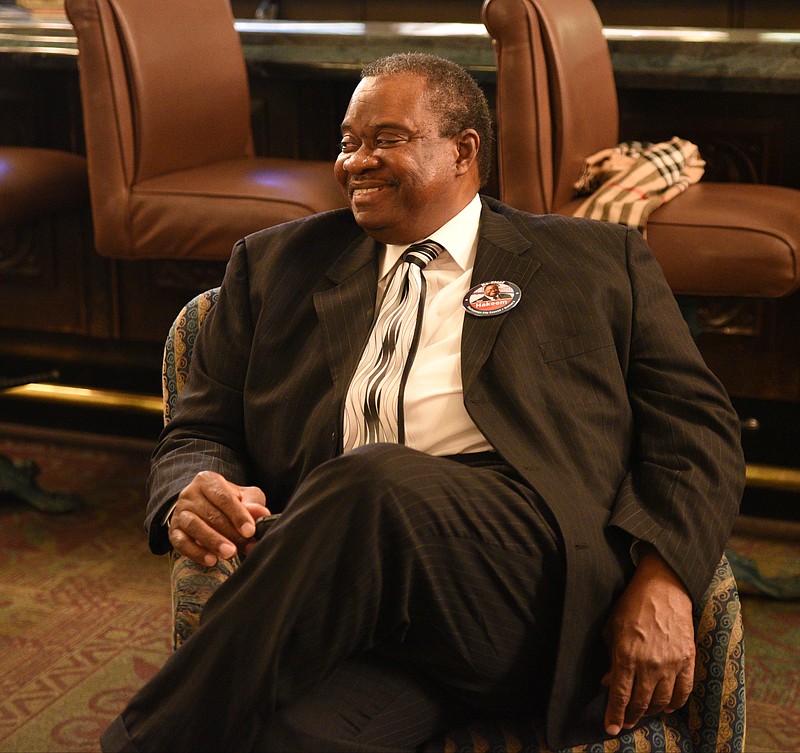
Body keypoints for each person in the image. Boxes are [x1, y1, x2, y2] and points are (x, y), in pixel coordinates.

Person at [101, 53, 744, 753]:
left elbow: (699, 429)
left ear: (464, 149)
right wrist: (190, 488)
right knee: (290, 737)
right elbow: (199, 426)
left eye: (386, 139)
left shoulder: (593, 262)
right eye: (347, 142)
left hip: (520, 592)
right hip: (351, 603)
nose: (355, 162)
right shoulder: (273, 265)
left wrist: (665, 575)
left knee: (373, 481)